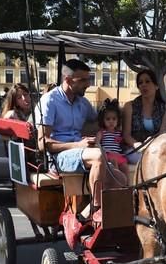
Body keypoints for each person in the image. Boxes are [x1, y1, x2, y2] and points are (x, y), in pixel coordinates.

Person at [37, 59, 125, 211]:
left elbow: (99, 122)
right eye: (83, 80)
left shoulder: (82, 103)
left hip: (82, 152)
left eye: (88, 79)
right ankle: (96, 208)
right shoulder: (49, 101)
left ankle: (110, 213)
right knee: (98, 155)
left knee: (121, 179)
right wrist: (78, 145)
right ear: (68, 80)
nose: (88, 84)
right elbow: (42, 143)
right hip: (58, 157)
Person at [122, 68, 166, 163]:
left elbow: (162, 135)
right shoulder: (129, 106)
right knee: (147, 161)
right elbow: (126, 135)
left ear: (156, 86)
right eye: (140, 83)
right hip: (133, 149)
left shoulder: (165, 110)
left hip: (155, 148)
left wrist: (151, 145)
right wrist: (137, 145)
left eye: (147, 81)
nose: (143, 85)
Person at [96, 99, 130, 183]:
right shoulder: (102, 132)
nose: (111, 121)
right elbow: (96, 143)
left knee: (125, 167)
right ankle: (117, 184)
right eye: (108, 119)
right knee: (114, 163)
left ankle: (129, 187)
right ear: (103, 120)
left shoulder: (119, 133)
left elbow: (123, 144)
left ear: (118, 120)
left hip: (119, 155)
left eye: (114, 119)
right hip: (108, 155)